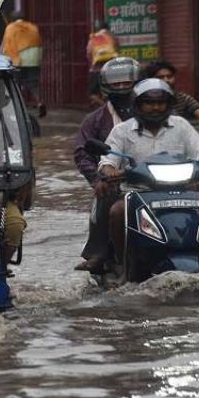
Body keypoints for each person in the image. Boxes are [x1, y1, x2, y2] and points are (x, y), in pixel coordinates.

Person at [97, 79, 199, 254]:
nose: (156, 108)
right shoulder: (122, 130)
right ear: (138, 105)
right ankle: (121, 261)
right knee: (117, 211)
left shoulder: (181, 125)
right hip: (137, 193)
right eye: (149, 103)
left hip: (183, 190)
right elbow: (108, 160)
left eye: (160, 103)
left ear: (168, 104)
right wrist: (109, 171)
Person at [73, 56, 139, 271]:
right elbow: (82, 153)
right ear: (105, 87)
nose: (121, 88)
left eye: (126, 83)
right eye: (115, 83)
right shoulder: (95, 120)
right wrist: (98, 178)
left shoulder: (167, 118)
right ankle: (99, 252)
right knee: (106, 193)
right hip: (115, 180)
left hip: (157, 178)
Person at [142, 61, 199, 133]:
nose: (166, 80)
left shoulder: (182, 98)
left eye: (169, 76)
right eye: (160, 77)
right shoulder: (141, 100)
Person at [0, 10, 45, 118]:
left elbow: (8, 45)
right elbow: (39, 43)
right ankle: (40, 102)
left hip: (19, 59)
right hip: (34, 59)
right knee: (33, 83)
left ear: (12, 19)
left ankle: (19, 107)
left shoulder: (11, 28)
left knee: (16, 84)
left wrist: (10, 60)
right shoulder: (33, 27)